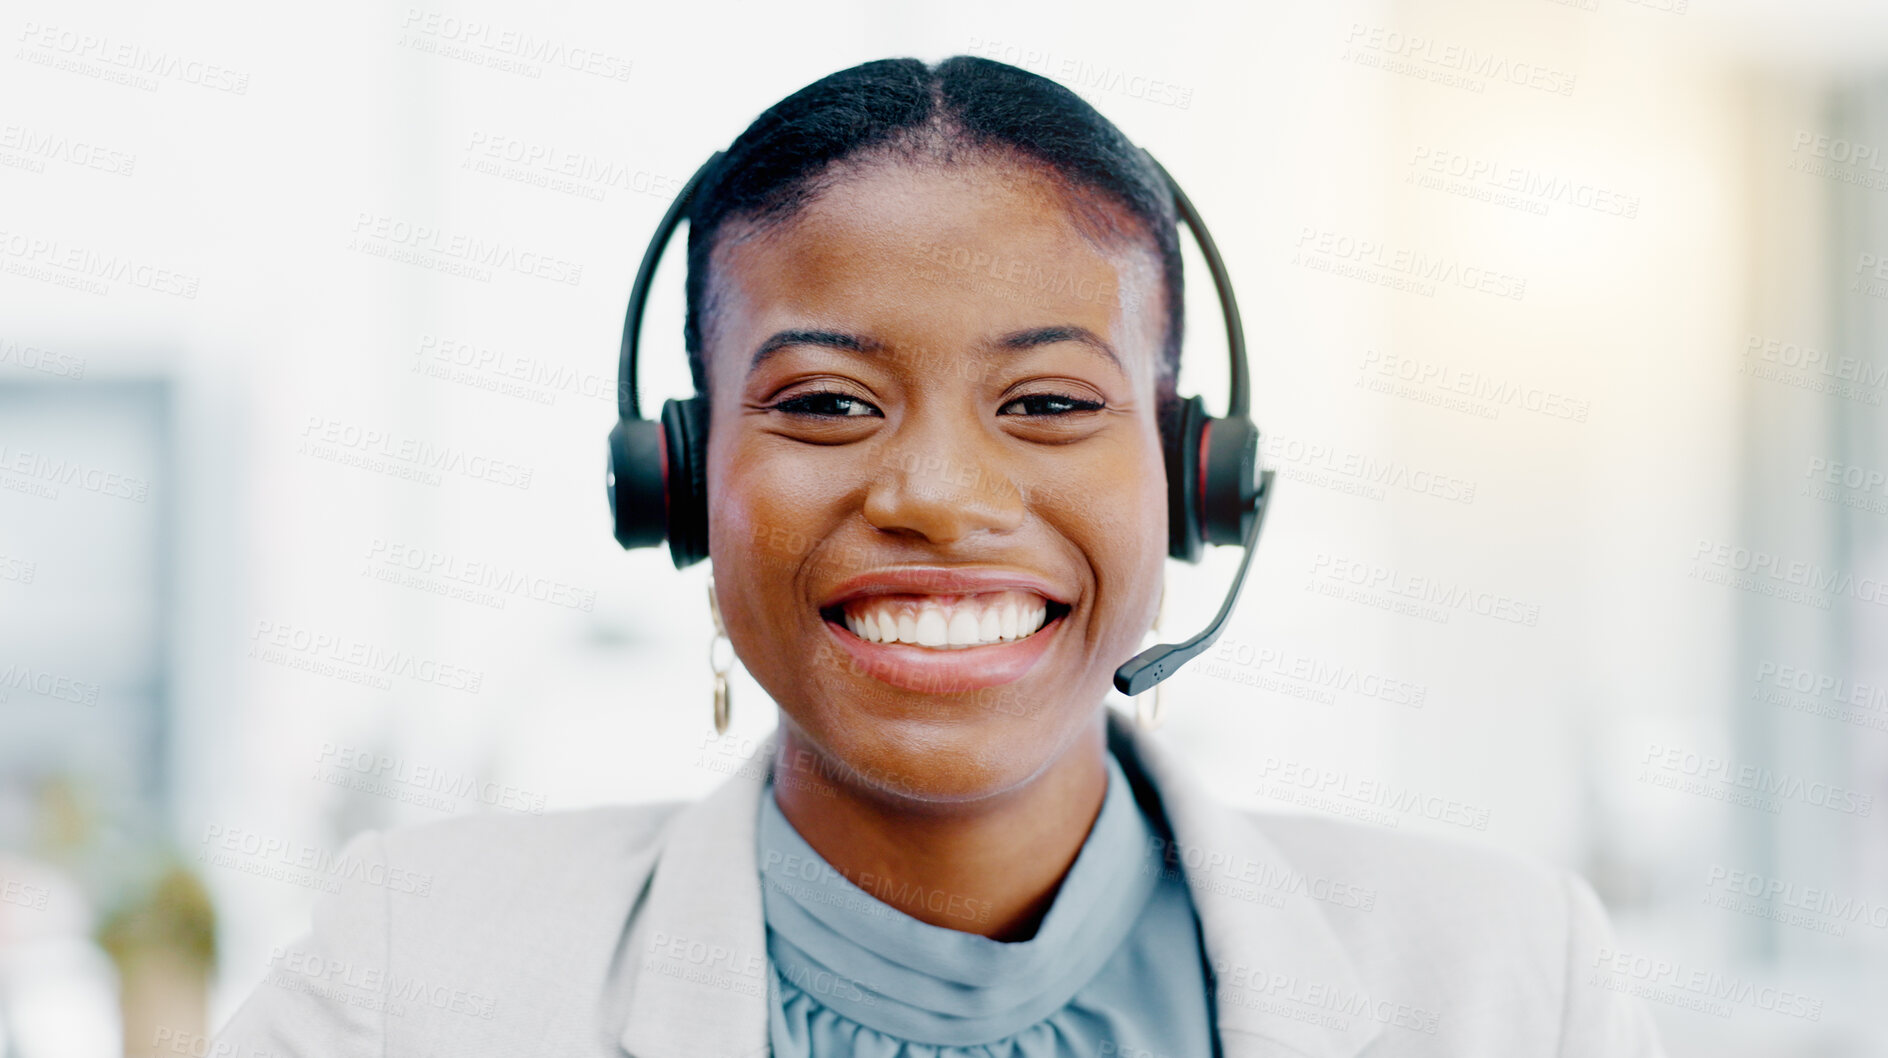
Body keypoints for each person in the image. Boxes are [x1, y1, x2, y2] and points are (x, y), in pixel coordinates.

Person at [215, 56, 1668, 1057]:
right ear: (677, 477)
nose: (935, 494)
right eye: (828, 403)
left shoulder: (1499, 977)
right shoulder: (417, 970)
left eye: (1046, 403)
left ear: (1189, 477)